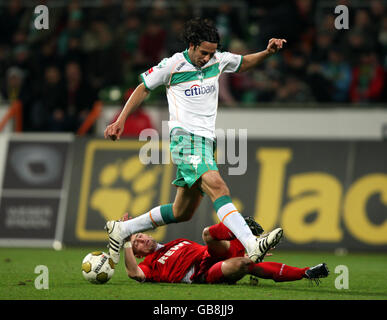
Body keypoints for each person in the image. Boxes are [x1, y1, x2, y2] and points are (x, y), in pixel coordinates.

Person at [104, 17, 287, 265]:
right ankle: (251, 243)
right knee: (218, 186)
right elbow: (143, 88)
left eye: (211, 53)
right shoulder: (173, 65)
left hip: (205, 142)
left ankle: (122, 230)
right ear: (191, 45)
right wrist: (121, 119)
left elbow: (243, 64)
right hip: (185, 139)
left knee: (182, 212)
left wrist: (267, 52)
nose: (207, 58)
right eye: (203, 52)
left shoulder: (217, 60)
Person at [121, 214, 329, 285]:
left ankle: (247, 237)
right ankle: (306, 272)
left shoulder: (175, 242)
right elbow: (134, 273)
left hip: (211, 254)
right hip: (202, 274)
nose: (141, 240)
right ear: (137, 254)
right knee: (246, 264)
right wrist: (126, 241)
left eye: (140, 235)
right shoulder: (148, 265)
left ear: (149, 233)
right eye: (136, 243)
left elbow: (207, 247)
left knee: (207, 234)